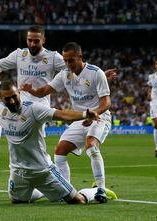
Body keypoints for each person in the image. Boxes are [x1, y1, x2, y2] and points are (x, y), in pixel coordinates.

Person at [0, 81, 117, 204]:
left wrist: (84, 114)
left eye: (15, 96)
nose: (12, 100)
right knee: (17, 201)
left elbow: (61, 113)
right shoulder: (0, 111)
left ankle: (96, 190)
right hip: (18, 171)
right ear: (1, 99)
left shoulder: (34, 109)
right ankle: (45, 191)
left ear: (19, 93)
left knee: (78, 201)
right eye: (8, 98)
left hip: (44, 170)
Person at [20, 42, 112, 203]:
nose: (68, 64)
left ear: (80, 57)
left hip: (99, 117)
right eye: (65, 60)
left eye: (71, 60)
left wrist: (94, 114)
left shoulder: (96, 73)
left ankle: (101, 189)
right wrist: (32, 90)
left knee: (91, 145)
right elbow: (44, 91)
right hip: (79, 118)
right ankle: (66, 190)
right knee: (60, 150)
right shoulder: (64, 74)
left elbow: (106, 103)